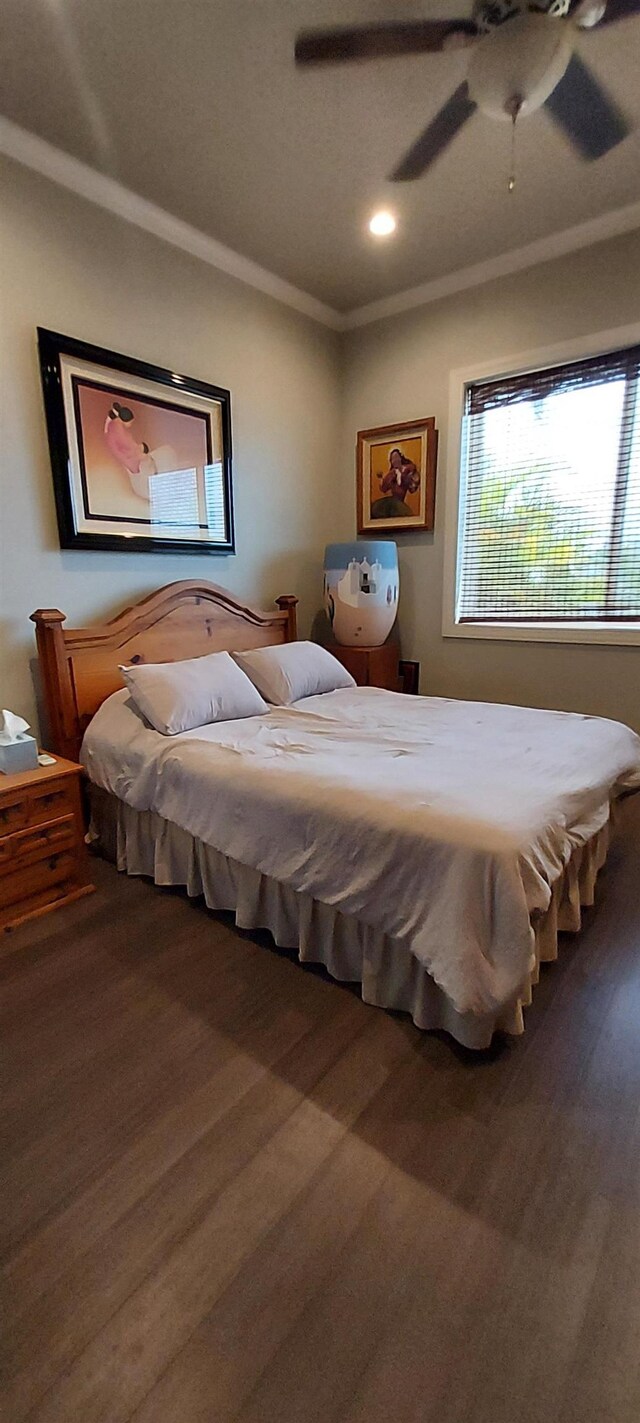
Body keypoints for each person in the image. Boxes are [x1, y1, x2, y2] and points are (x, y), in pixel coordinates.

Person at [371, 447, 420, 519]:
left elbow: (412, 488)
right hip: (392, 502)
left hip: (399, 503)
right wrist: (382, 479)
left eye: (396, 457)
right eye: (392, 459)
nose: (395, 460)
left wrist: (409, 477)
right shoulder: (391, 474)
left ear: (401, 458)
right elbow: (384, 488)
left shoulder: (408, 469)